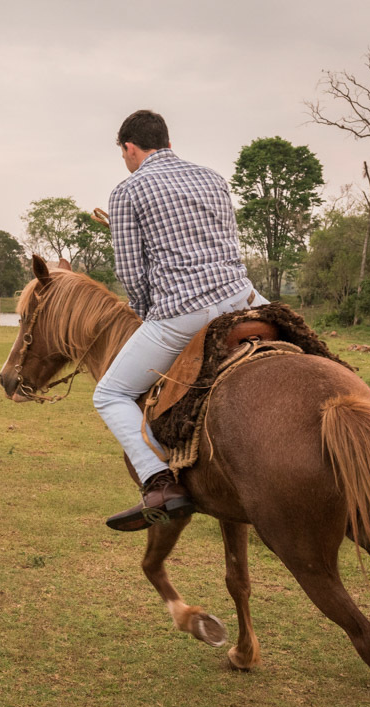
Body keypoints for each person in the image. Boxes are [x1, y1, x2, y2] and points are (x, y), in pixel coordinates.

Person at [94, 110, 267, 532]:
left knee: (110, 394)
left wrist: (148, 312)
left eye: (124, 153)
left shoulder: (128, 191)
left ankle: (159, 483)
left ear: (129, 148)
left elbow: (133, 274)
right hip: (244, 298)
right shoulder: (213, 178)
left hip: (183, 313)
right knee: (303, 340)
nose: (125, 160)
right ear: (167, 142)